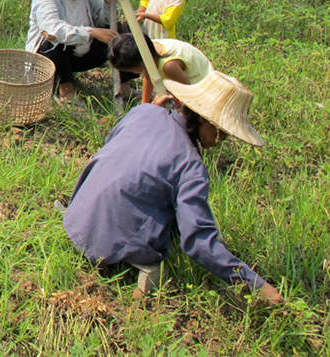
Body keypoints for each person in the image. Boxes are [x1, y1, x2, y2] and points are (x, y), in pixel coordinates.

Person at [63, 71, 283, 302]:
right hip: (107, 243)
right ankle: (146, 269)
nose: (223, 139)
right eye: (223, 131)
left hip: (77, 215)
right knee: (168, 231)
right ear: (202, 118)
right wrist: (256, 283)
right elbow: (198, 242)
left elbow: (111, 146)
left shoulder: (144, 111)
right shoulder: (191, 167)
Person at [25, 0, 121, 104]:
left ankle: (124, 86)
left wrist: (107, 3)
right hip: (51, 58)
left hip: (82, 53)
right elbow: (52, 30)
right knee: (56, 40)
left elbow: (101, 20)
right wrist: (92, 32)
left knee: (119, 31)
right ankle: (65, 90)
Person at [108, 33, 212, 105]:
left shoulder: (169, 66)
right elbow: (148, 76)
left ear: (139, 64)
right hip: (184, 80)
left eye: (130, 70)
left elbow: (189, 93)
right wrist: (145, 106)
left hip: (201, 85)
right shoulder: (146, 50)